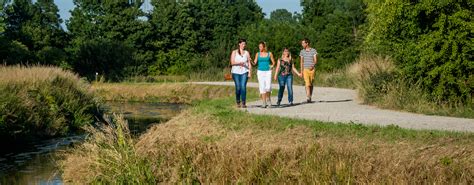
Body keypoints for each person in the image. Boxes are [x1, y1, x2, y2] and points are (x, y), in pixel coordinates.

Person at [230, 38, 252, 108]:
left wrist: (250, 72)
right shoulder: (234, 52)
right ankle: (238, 101)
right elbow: (232, 62)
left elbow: (249, 62)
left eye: (244, 44)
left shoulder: (247, 52)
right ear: (239, 44)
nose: (243, 45)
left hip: (244, 71)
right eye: (242, 44)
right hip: (235, 72)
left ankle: (243, 102)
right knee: (238, 87)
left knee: (243, 86)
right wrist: (240, 63)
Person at [253, 41, 275, 108]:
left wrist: (272, 66)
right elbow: (254, 63)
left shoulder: (269, 53)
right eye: (259, 46)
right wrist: (250, 61)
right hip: (260, 72)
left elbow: (273, 62)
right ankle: (264, 102)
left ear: (264, 47)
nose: (259, 48)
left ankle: (268, 99)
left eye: (261, 46)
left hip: (268, 71)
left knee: (268, 86)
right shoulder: (257, 54)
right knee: (262, 86)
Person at [299, 38, 318, 103]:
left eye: (303, 43)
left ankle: (310, 96)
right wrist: (301, 71)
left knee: (311, 84)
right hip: (305, 69)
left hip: (312, 70)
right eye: (302, 43)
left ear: (307, 43)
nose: (302, 44)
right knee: (307, 83)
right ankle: (308, 97)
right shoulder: (302, 51)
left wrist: (313, 66)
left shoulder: (313, 50)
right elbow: (301, 62)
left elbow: (315, 60)